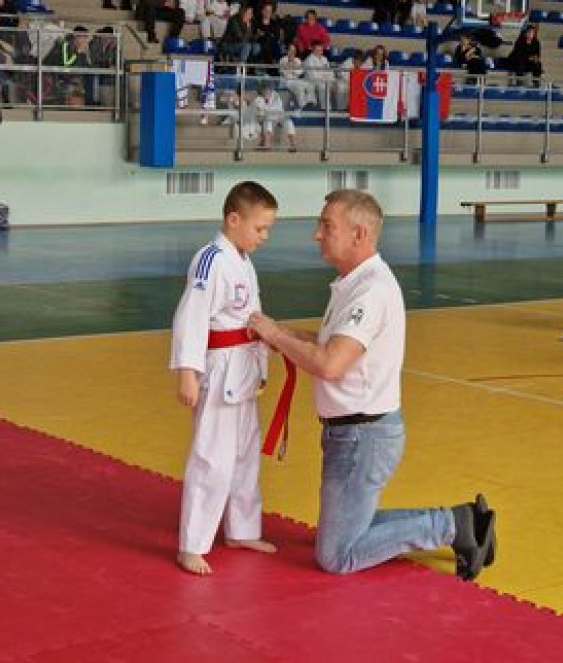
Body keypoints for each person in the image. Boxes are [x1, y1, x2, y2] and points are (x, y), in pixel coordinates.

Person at [249, 189, 497, 580]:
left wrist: (277, 338)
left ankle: (451, 526)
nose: (317, 234)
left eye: (326, 226)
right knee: (344, 535)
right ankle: (459, 519)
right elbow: (329, 343)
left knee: (337, 556)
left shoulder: (371, 291)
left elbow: (330, 364)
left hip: (363, 437)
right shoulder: (354, 283)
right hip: (356, 434)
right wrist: (277, 330)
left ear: (359, 235)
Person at [170, 180, 279, 576]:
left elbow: (252, 315)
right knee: (211, 458)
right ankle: (192, 543)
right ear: (234, 220)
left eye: (268, 229)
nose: (264, 237)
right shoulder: (211, 260)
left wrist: (264, 356)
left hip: (245, 366)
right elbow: (191, 318)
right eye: (260, 228)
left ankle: (241, 528)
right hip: (217, 370)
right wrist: (187, 372)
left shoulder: (243, 260)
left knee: (244, 454)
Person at [254, 81, 296, 151]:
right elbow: (260, 115)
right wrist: (261, 118)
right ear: (261, 90)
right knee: (267, 123)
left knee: (289, 122)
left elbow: (279, 110)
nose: (267, 91)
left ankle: (293, 145)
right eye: (264, 89)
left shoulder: (275, 95)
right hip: (267, 118)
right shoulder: (258, 99)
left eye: (268, 89)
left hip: (279, 116)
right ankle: (266, 146)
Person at [279, 42, 315, 110]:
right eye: (291, 50)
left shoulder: (297, 60)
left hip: (296, 80)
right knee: (299, 88)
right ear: (287, 51)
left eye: (294, 51)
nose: (292, 53)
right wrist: (291, 65)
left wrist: (293, 68)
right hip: (286, 82)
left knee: (309, 84)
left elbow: (300, 72)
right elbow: (284, 73)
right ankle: (302, 106)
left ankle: (310, 102)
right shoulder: (283, 60)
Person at [303, 39, 334, 108]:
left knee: (338, 86)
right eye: (318, 50)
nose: (320, 52)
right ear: (313, 50)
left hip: (325, 81)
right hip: (312, 82)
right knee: (323, 87)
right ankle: (325, 109)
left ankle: (338, 109)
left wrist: (328, 78)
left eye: (321, 50)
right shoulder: (309, 60)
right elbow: (313, 76)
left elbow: (330, 72)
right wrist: (324, 76)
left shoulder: (324, 59)